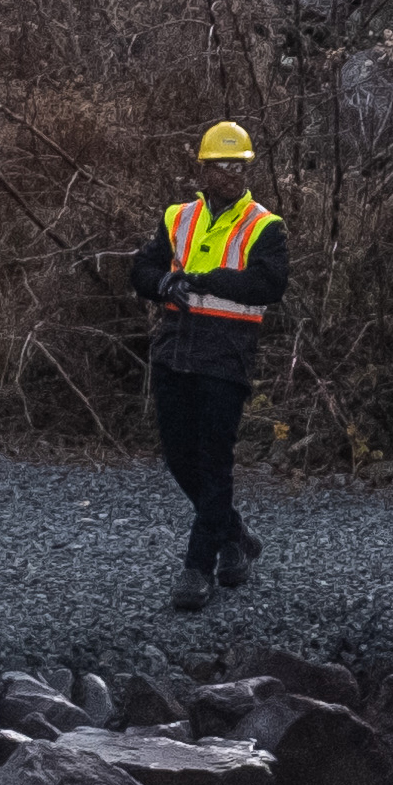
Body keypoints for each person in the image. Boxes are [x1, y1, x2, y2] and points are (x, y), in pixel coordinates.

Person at [128, 121, 288, 612]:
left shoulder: (265, 225)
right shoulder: (177, 217)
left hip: (226, 355)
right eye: (222, 165)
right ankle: (235, 535)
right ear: (203, 169)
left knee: (214, 462)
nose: (232, 174)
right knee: (180, 458)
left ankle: (198, 568)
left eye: (239, 165)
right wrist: (164, 285)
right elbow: (141, 269)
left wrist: (209, 280)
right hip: (175, 352)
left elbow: (268, 285)